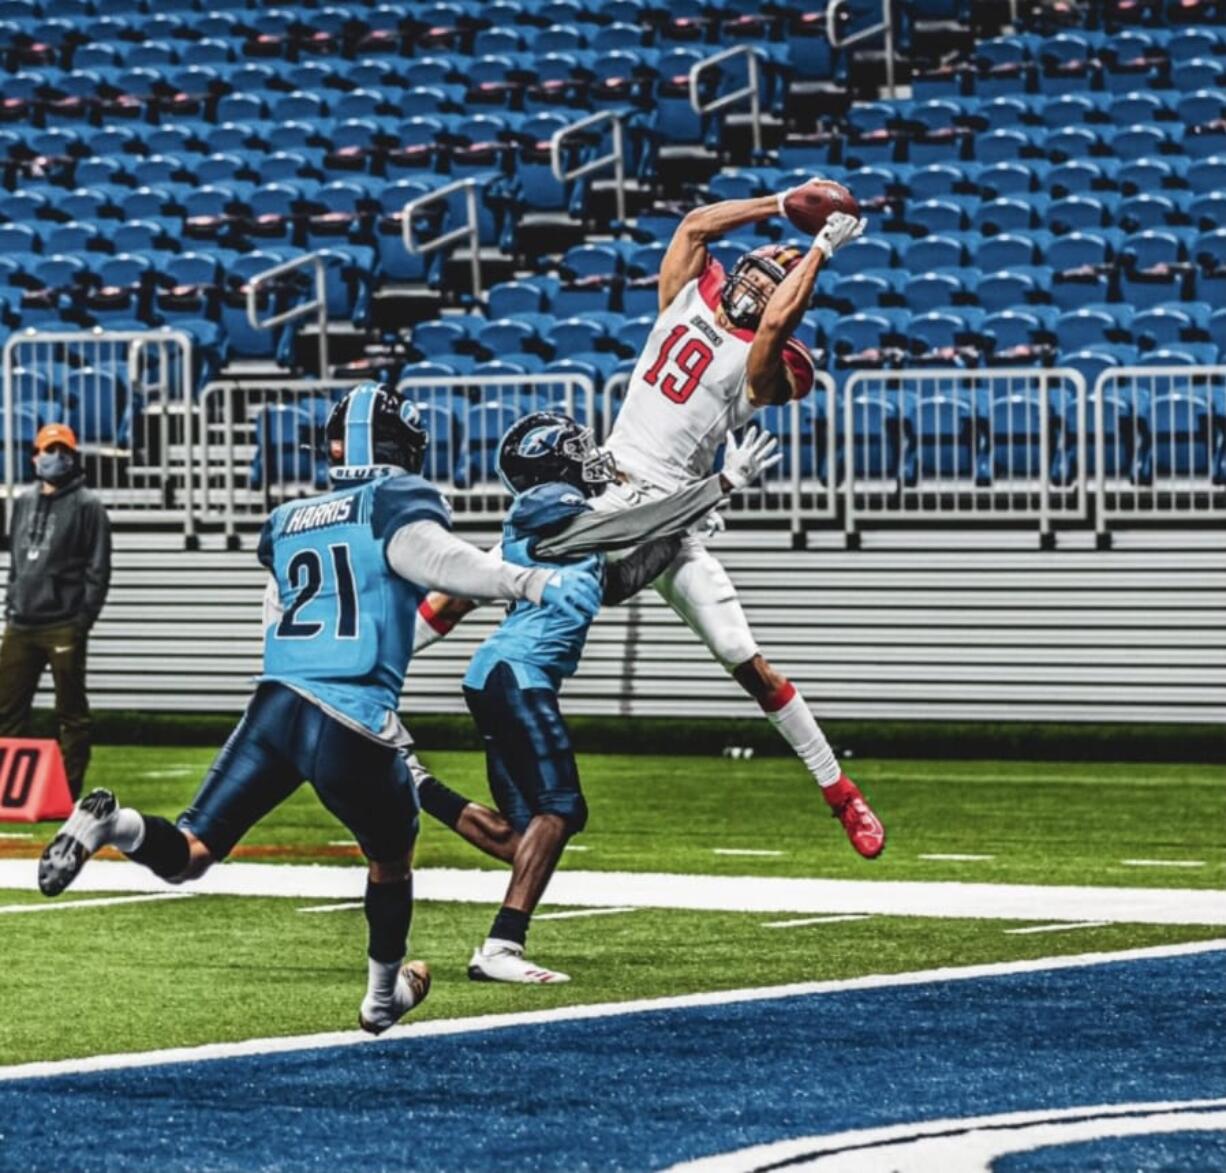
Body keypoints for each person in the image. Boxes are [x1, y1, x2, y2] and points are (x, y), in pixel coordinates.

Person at [37, 383, 602, 1034]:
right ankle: (381, 999)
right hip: (352, 714)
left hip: (276, 703)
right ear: (397, 445)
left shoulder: (289, 519)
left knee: (192, 852)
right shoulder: (396, 502)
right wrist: (530, 580)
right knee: (392, 855)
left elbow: (273, 619)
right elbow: (445, 563)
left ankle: (117, 826)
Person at [414, 198, 887, 860]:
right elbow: (695, 224)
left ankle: (841, 791)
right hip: (609, 490)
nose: (755, 285)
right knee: (475, 580)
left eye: (769, 284)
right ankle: (372, 668)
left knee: (744, 658)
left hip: (676, 518)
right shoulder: (686, 301)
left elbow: (778, 326)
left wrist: (819, 252)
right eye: (754, 273)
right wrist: (780, 205)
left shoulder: (761, 365)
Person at [413, 410, 781, 984]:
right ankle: (501, 948)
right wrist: (721, 485)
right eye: (575, 450)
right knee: (562, 811)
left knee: (523, 840)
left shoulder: (569, 536)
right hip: (517, 675)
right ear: (552, 471)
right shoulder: (550, 516)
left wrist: (686, 529)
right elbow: (631, 528)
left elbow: (626, 570)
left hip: (501, 677)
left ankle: (414, 785)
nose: (592, 459)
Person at [0, 422, 111, 799]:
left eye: (63, 450)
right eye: (49, 450)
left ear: (73, 457)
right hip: (20, 622)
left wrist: (82, 621)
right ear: (35, 456)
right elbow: (15, 559)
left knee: (71, 713)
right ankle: (9, 790)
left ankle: (66, 791)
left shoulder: (88, 506)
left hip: (63, 624)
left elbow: (99, 570)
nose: (55, 457)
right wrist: (11, 602)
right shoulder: (23, 501)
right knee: (7, 709)